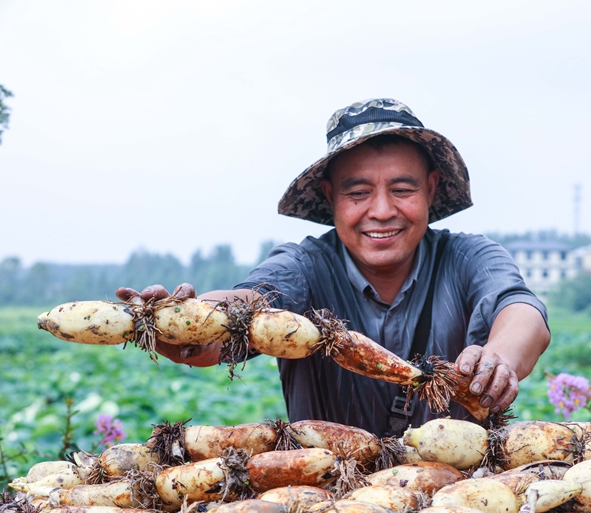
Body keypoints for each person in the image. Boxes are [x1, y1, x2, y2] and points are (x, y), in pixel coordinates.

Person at [117, 98, 550, 438]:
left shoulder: (468, 258)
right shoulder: (303, 267)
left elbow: (522, 312)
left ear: (431, 188)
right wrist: (185, 322)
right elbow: (248, 302)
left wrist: (500, 359)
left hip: (456, 507)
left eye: (402, 189)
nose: (381, 211)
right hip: (328, 511)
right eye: (358, 192)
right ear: (330, 197)